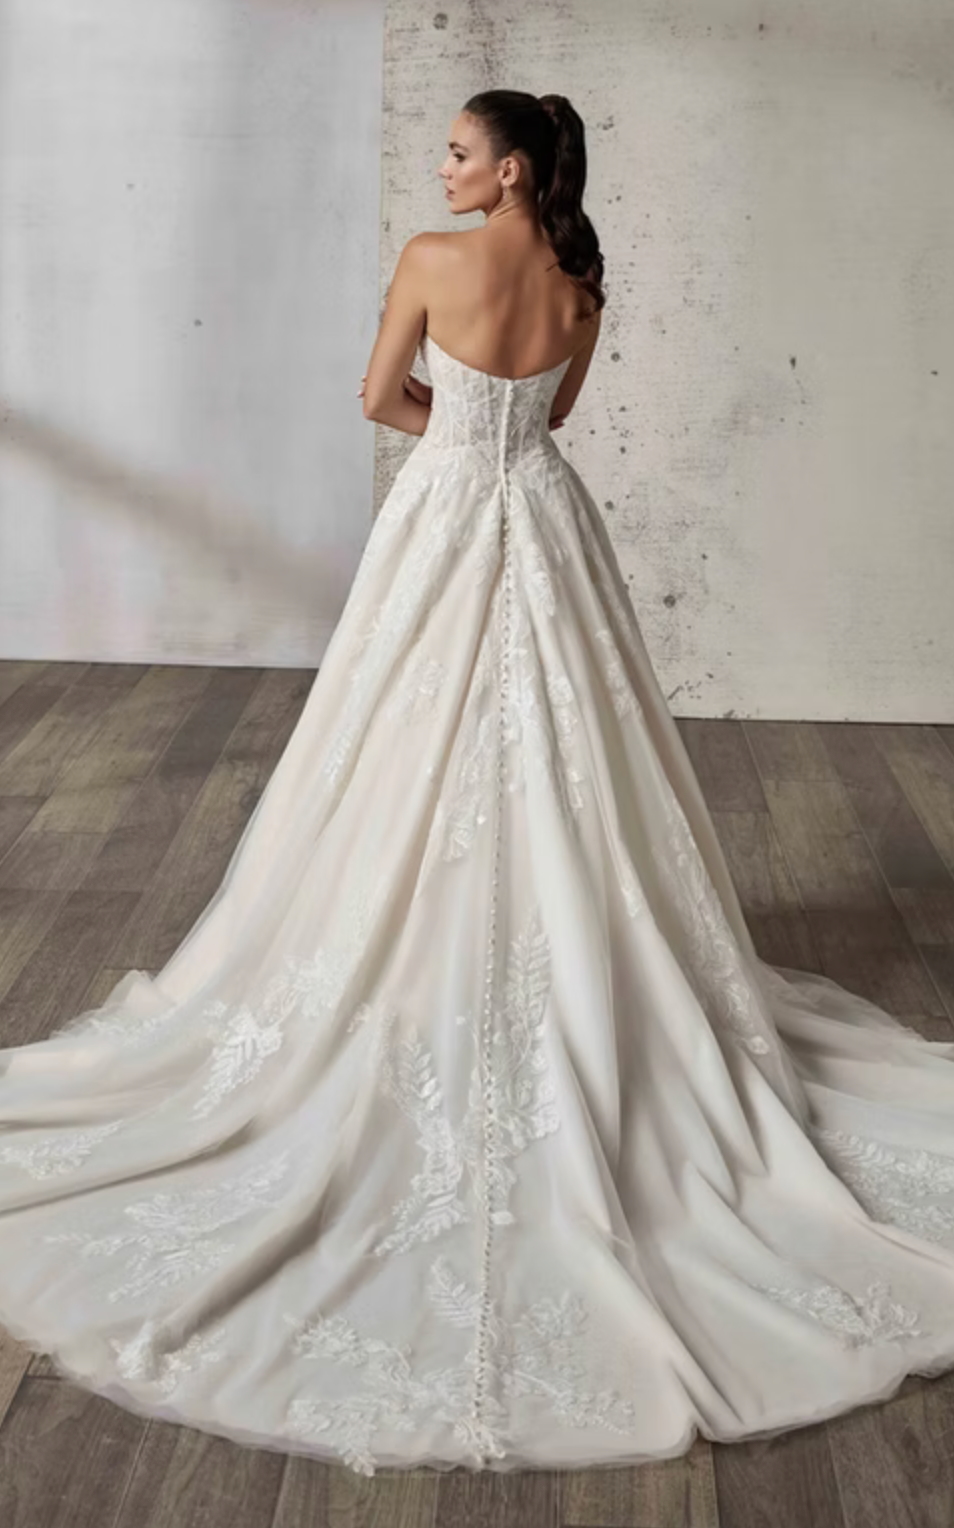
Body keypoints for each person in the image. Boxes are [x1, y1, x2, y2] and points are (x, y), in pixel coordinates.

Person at [1, 88, 954, 1483]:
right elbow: (548, 416)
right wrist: (492, 427)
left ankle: (410, 944)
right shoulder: (577, 288)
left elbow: (381, 398)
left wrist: (450, 423)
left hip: (443, 518)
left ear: (506, 169)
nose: (439, 168)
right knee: (575, 755)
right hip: (543, 519)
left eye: (455, 151)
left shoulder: (429, 263)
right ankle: (571, 953)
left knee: (396, 748)